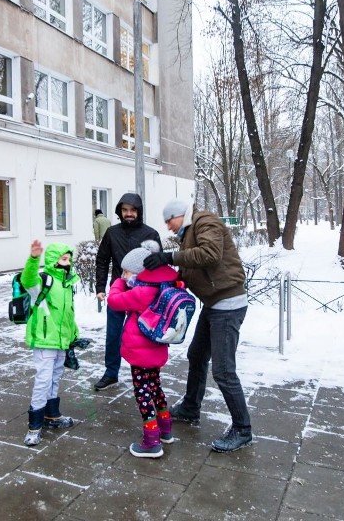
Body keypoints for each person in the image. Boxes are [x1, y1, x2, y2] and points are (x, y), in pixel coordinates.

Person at [143, 199, 253, 453]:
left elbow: (209, 255)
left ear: (179, 215)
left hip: (227, 304)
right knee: (196, 355)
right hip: (214, 303)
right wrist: (167, 277)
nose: (168, 228)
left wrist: (168, 257)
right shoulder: (190, 234)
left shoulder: (205, 221)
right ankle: (191, 408)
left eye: (168, 221)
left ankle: (243, 429)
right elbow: (192, 269)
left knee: (224, 371)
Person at [106, 241, 178, 458]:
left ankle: (151, 441)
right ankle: (165, 429)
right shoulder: (163, 286)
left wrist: (118, 282)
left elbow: (114, 301)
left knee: (142, 392)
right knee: (156, 387)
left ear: (139, 273)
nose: (124, 275)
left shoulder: (142, 292)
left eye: (126, 272)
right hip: (157, 349)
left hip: (140, 353)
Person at [93, 193, 161, 391]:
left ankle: (146, 371)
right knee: (113, 333)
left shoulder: (151, 233)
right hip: (119, 290)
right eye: (124, 210)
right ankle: (111, 372)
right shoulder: (112, 233)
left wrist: (158, 290)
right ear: (119, 212)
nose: (128, 214)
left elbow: (158, 264)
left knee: (142, 334)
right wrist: (100, 288)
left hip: (143, 292)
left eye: (132, 210)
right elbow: (102, 259)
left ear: (139, 211)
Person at [21, 239, 79, 446]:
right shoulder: (43, 282)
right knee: (43, 381)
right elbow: (27, 279)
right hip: (45, 341)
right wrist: (34, 259)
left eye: (69, 259)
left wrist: (73, 335)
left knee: (55, 377)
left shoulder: (66, 284)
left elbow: (68, 314)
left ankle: (52, 415)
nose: (67, 263)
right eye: (63, 259)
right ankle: (34, 426)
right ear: (54, 260)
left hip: (61, 342)